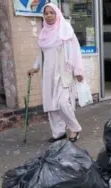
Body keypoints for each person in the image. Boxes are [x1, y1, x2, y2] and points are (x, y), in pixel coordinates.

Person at [28, 3, 84, 143]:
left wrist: (78, 70)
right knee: (51, 106)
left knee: (62, 103)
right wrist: (35, 67)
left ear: (57, 13)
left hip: (63, 73)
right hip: (48, 74)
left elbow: (75, 50)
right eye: (46, 13)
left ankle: (74, 128)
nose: (49, 15)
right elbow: (41, 55)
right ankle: (58, 133)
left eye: (51, 12)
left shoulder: (65, 29)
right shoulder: (43, 34)